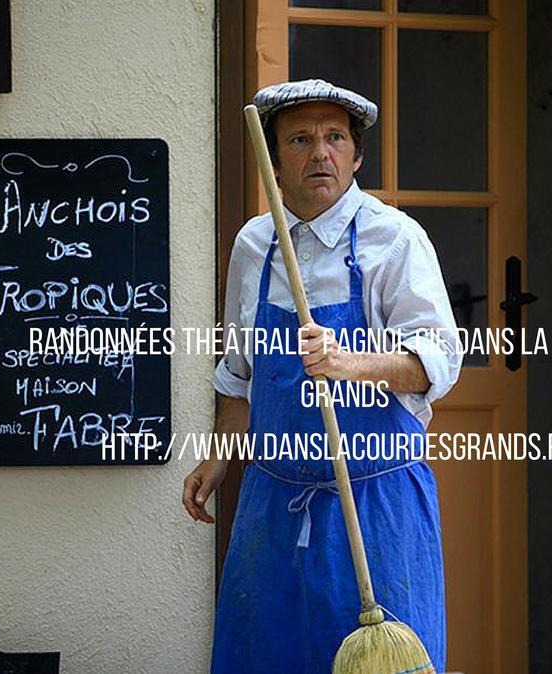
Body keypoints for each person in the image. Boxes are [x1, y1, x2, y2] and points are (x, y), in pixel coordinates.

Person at [182, 79, 462, 673]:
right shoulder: (254, 245)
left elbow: (436, 363)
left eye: (335, 138)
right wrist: (219, 459)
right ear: (275, 157)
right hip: (272, 504)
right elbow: (239, 378)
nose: (320, 153)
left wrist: (348, 362)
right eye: (301, 139)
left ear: (357, 156)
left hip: (376, 506)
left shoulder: (396, 240)